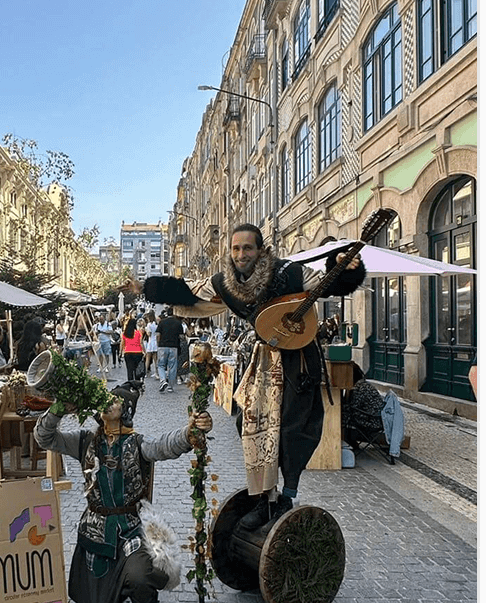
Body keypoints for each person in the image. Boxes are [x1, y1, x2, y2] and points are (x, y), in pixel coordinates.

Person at [137, 222, 366, 531]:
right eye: (235, 248)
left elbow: (326, 283)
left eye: (247, 247)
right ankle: (264, 498)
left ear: (260, 250)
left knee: (292, 429)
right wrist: (148, 287)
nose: (241, 254)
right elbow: (191, 292)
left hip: (298, 360)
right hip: (263, 361)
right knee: (251, 426)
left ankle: (287, 494)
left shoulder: (288, 272)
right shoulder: (226, 284)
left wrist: (344, 268)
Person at [34, 382, 212, 603]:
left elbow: (165, 446)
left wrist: (190, 432)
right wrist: (58, 409)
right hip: (95, 530)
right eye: (105, 399)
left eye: (115, 400)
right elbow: (44, 438)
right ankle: (114, 591)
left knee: (141, 575)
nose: (108, 402)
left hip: (131, 530)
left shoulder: (138, 443)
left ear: (127, 409)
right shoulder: (85, 442)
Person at [342, 363, 385, 449]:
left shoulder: (360, 388)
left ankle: (350, 444)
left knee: (341, 420)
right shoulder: (364, 384)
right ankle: (352, 443)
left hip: (372, 422)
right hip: (376, 419)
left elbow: (352, 408)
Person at [155, 308, 185, 393]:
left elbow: (158, 335)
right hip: (174, 347)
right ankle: (170, 387)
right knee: (172, 367)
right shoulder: (178, 323)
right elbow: (181, 337)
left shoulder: (162, 322)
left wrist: (158, 345)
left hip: (163, 346)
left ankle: (163, 381)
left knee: (161, 365)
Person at [121, 317, 145, 383]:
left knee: (129, 370)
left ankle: (130, 384)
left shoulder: (124, 334)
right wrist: (144, 351)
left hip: (128, 352)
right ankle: (137, 383)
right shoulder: (138, 333)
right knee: (137, 370)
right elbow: (141, 343)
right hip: (138, 352)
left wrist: (121, 353)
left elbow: (122, 343)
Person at [143, 311, 158, 378]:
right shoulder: (156, 324)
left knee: (148, 359)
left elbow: (149, 334)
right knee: (155, 359)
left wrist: (146, 329)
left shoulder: (149, 325)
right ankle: (156, 373)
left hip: (150, 341)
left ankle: (145, 373)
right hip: (155, 342)